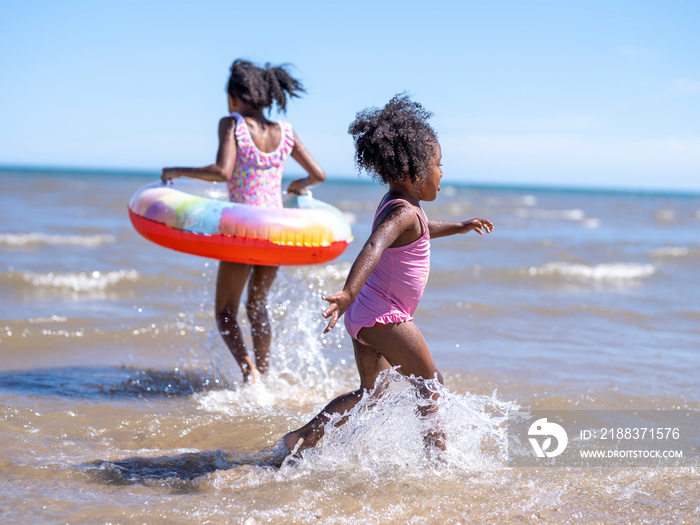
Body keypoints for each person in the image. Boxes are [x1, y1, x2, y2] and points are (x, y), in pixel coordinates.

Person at [274, 94, 493, 461]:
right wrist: (346, 292)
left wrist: (460, 226)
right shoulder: (403, 213)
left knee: (371, 394)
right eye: (438, 165)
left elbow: (422, 230)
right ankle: (438, 465)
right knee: (431, 387)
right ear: (413, 173)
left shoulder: (404, 208)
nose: (442, 173)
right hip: (384, 316)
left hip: (367, 314)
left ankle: (299, 439)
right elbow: (374, 245)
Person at [161, 59, 326, 382]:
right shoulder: (285, 132)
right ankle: (264, 374)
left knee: (225, 311)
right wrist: (298, 186)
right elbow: (318, 174)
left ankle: (249, 374)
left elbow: (221, 171)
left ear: (235, 96)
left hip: (244, 230)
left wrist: (177, 171)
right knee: (257, 306)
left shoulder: (232, 123)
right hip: (275, 231)